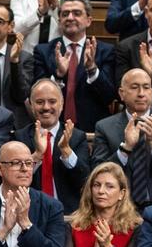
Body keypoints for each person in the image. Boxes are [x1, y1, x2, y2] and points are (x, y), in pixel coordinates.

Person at [92, 69, 152, 212]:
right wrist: (126, 148)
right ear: (122, 93)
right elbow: (97, 175)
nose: (141, 93)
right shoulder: (104, 127)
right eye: (134, 87)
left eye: (146, 87)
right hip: (119, 209)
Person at [31, 0, 116, 134]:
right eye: (65, 14)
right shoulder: (43, 51)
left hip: (93, 129)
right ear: (59, 21)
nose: (70, 18)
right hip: (54, 129)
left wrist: (92, 69)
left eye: (76, 13)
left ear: (88, 20)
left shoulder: (105, 51)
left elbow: (109, 96)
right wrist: (58, 75)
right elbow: (36, 95)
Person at [11, 79, 92, 213]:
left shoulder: (76, 137)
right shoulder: (20, 138)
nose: (46, 107)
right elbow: (13, 182)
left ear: (62, 104)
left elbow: (85, 180)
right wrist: (37, 155)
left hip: (68, 215)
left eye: (52, 102)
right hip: (29, 213)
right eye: (39, 102)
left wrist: (66, 151)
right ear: (31, 105)